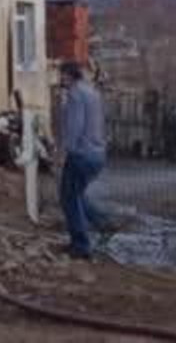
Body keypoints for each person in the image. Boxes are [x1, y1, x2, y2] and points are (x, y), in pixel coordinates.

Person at [57, 60, 109, 259]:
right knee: (77, 194)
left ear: (69, 76)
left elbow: (74, 127)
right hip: (97, 154)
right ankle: (103, 223)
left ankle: (81, 245)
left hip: (81, 155)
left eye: (61, 75)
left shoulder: (75, 95)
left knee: (68, 197)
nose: (59, 79)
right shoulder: (92, 92)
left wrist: (63, 153)